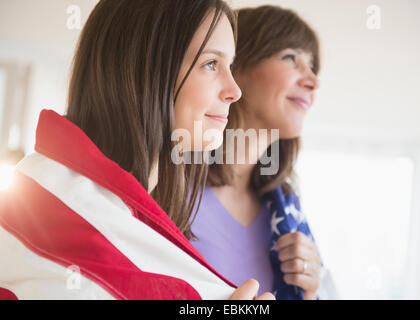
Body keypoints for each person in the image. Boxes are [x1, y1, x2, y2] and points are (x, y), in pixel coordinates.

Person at [0, 0, 274, 300]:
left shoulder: (125, 220)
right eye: (211, 64)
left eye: (230, 66)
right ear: (146, 69)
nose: (235, 91)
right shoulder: (53, 220)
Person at [190, 5, 332, 300]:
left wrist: (310, 290)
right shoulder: (167, 185)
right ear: (235, 66)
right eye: (291, 58)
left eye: (312, 66)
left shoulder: (286, 209)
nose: (313, 81)